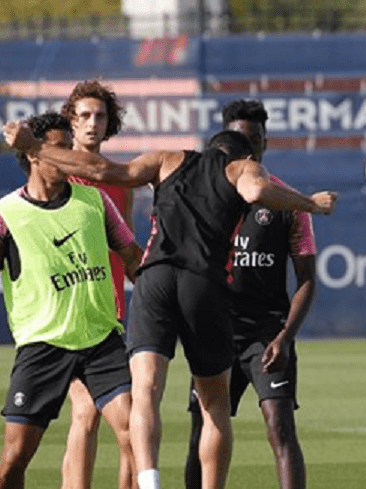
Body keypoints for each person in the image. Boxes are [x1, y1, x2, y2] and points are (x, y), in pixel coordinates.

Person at [3, 119, 337, 489]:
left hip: (150, 284)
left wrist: (33, 144)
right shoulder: (242, 167)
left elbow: (105, 171)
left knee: (144, 392)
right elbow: (257, 191)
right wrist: (311, 203)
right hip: (202, 285)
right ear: (243, 155)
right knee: (214, 405)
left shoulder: (165, 159)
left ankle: (149, 483)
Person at [0, 112, 143, 489]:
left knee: (135, 434)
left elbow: (132, 259)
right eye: (59, 150)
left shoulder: (94, 201)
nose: (69, 159)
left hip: (101, 340)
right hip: (42, 345)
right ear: (33, 155)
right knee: (13, 460)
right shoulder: (6, 214)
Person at [184, 99, 312, 489]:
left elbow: (307, 279)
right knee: (201, 430)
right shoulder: (202, 201)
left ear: (265, 143)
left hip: (265, 334)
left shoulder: (288, 203)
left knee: (280, 427)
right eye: (241, 141)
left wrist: (285, 337)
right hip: (215, 330)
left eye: (255, 140)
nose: (249, 149)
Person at [57, 79, 138, 489]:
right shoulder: (57, 175)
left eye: (100, 116)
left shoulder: (120, 179)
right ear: (70, 121)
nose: (92, 124)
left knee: (130, 421)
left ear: (110, 124)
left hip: (113, 316)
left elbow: (128, 250)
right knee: (86, 411)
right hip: (69, 316)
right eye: (84, 115)